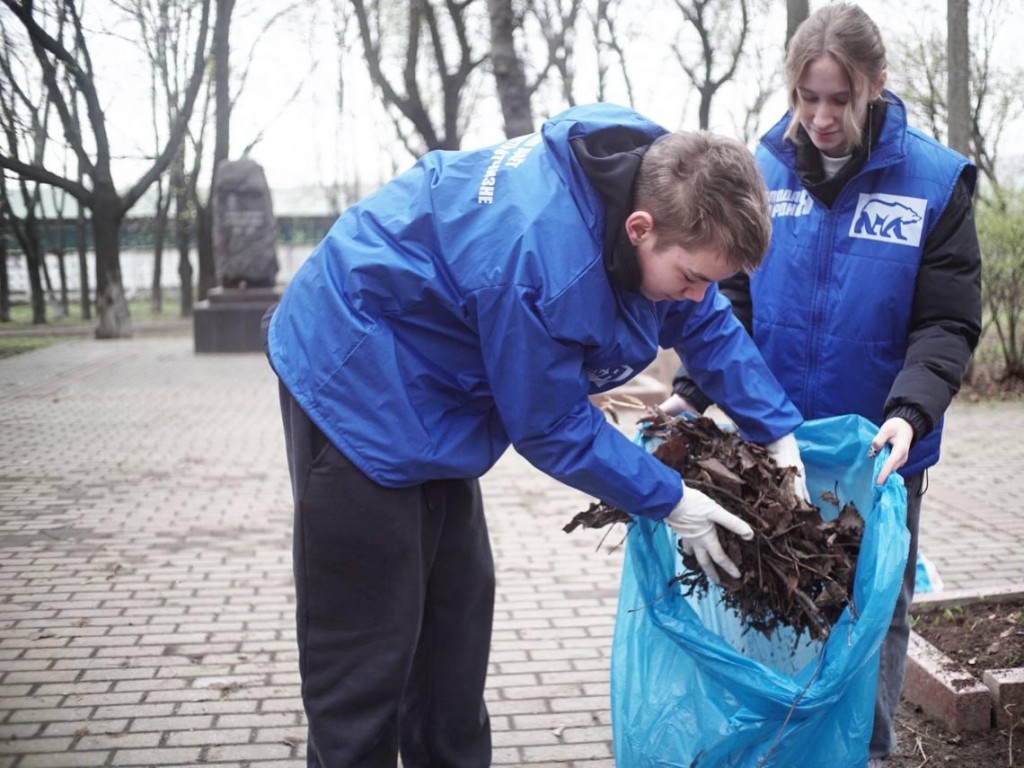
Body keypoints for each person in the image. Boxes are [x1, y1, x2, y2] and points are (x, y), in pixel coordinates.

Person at [263, 101, 810, 768]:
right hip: (354, 373)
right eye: (693, 279)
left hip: (436, 384)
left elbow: (705, 324)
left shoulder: (659, 190)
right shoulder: (541, 261)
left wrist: (778, 431)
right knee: (367, 658)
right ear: (640, 230)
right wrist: (669, 499)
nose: (699, 296)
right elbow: (550, 425)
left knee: (453, 631)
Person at [660, 5, 982, 765]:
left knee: (874, 609)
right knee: (777, 597)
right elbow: (725, 297)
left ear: (877, 85)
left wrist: (911, 412)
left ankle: (864, 751)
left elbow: (946, 324)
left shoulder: (935, 184)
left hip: (881, 448)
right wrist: (695, 389)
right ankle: (787, 745)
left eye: (841, 98)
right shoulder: (760, 171)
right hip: (771, 446)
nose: (822, 116)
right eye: (808, 97)